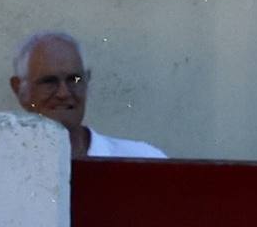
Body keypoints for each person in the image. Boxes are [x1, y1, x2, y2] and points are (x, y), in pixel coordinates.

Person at [10, 30, 165, 157]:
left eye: (74, 80)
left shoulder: (140, 159)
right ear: (19, 90)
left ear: (87, 81)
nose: (63, 93)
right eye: (49, 81)